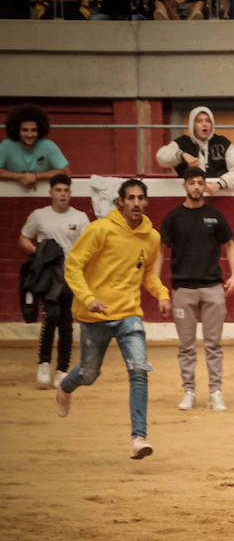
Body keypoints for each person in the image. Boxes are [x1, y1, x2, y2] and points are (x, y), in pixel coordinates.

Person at [56, 179, 173, 460]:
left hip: (129, 315)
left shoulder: (152, 237)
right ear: (120, 202)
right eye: (130, 197)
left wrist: (161, 294)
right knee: (88, 373)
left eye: (141, 198)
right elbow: (73, 267)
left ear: (146, 202)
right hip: (94, 314)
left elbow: (147, 274)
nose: (136, 203)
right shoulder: (100, 230)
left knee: (139, 372)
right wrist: (87, 298)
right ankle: (65, 386)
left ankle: (138, 438)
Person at [160, 168, 234, 411]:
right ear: (184, 185)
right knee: (186, 345)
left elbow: (230, 245)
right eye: (192, 182)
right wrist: (161, 290)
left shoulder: (215, 216)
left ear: (204, 186)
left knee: (213, 344)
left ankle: (215, 392)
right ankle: (189, 391)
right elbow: (160, 252)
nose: (196, 186)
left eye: (200, 183)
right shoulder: (173, 218)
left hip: (212, 288)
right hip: (183, 289)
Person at [19, 174, 89, 389]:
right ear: (51, 192)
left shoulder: (80, 218)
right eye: (58, 190)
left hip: (70, 275)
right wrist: (39, 254)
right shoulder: (39, 216)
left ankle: (62, 369)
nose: (62, 194)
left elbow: (88, 245)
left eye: (66, 191)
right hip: (48, 276)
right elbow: (23, 237)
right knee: (52, 316)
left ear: (70, 193)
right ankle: (44, 363)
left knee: (66, 322)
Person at [156, 106, 234, 195]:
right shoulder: (182, 142)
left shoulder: (222, 142)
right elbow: (161, 157)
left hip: (219, 195)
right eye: (199, 121)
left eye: (208, 121)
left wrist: (220, 184)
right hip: (188, 196)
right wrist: (182, 155)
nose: (204, 124)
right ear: (192, 125)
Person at [1, 104, 70, 190]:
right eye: (25, 130)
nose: (29, 135)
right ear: (17, 130)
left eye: (34, 130)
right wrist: (19, 177)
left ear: (40, 130)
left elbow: (66, 171)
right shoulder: (7, 145)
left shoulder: (48, 145)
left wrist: (36, 176)